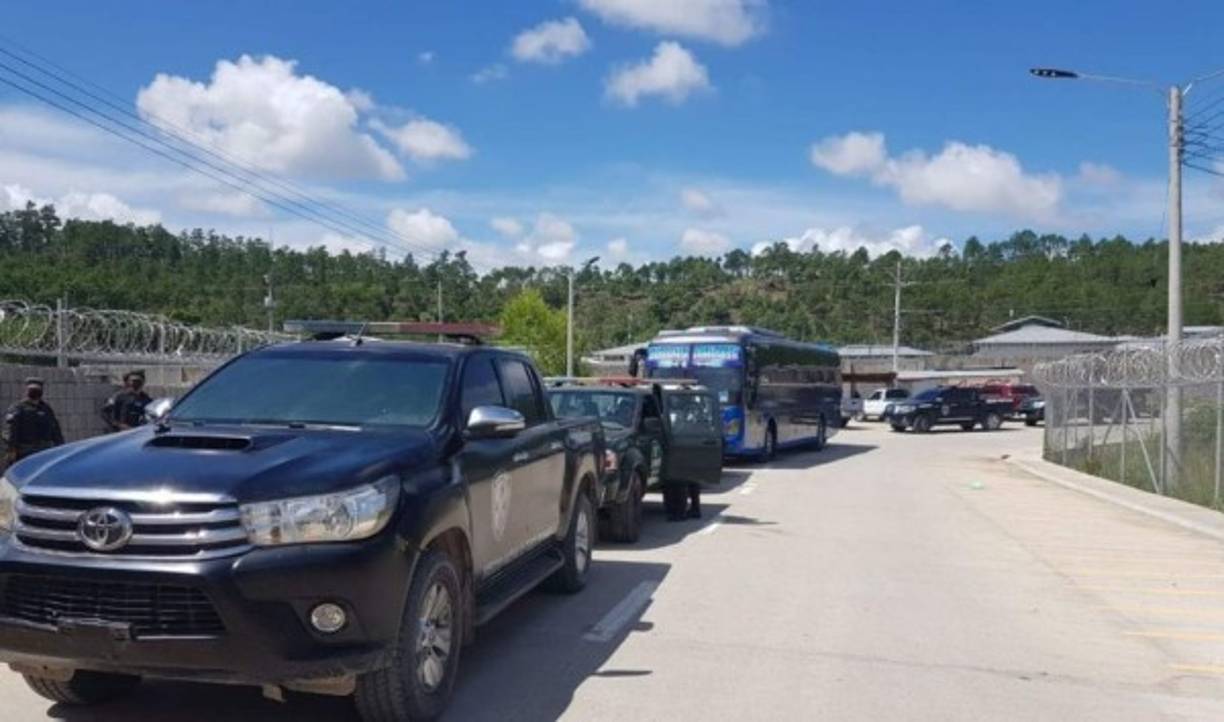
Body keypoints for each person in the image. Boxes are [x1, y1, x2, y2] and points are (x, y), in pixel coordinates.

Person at [4, 377, 65, 465]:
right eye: (32, 389)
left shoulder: (46, 408)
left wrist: (61, 447)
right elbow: (11, 430)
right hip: (25, 452)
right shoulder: (18, 408)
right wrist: (11, 449)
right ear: (27, 391)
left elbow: (55, 429)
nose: (34, 391)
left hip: (44, 452)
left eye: (37, 389)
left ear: (41, 391)